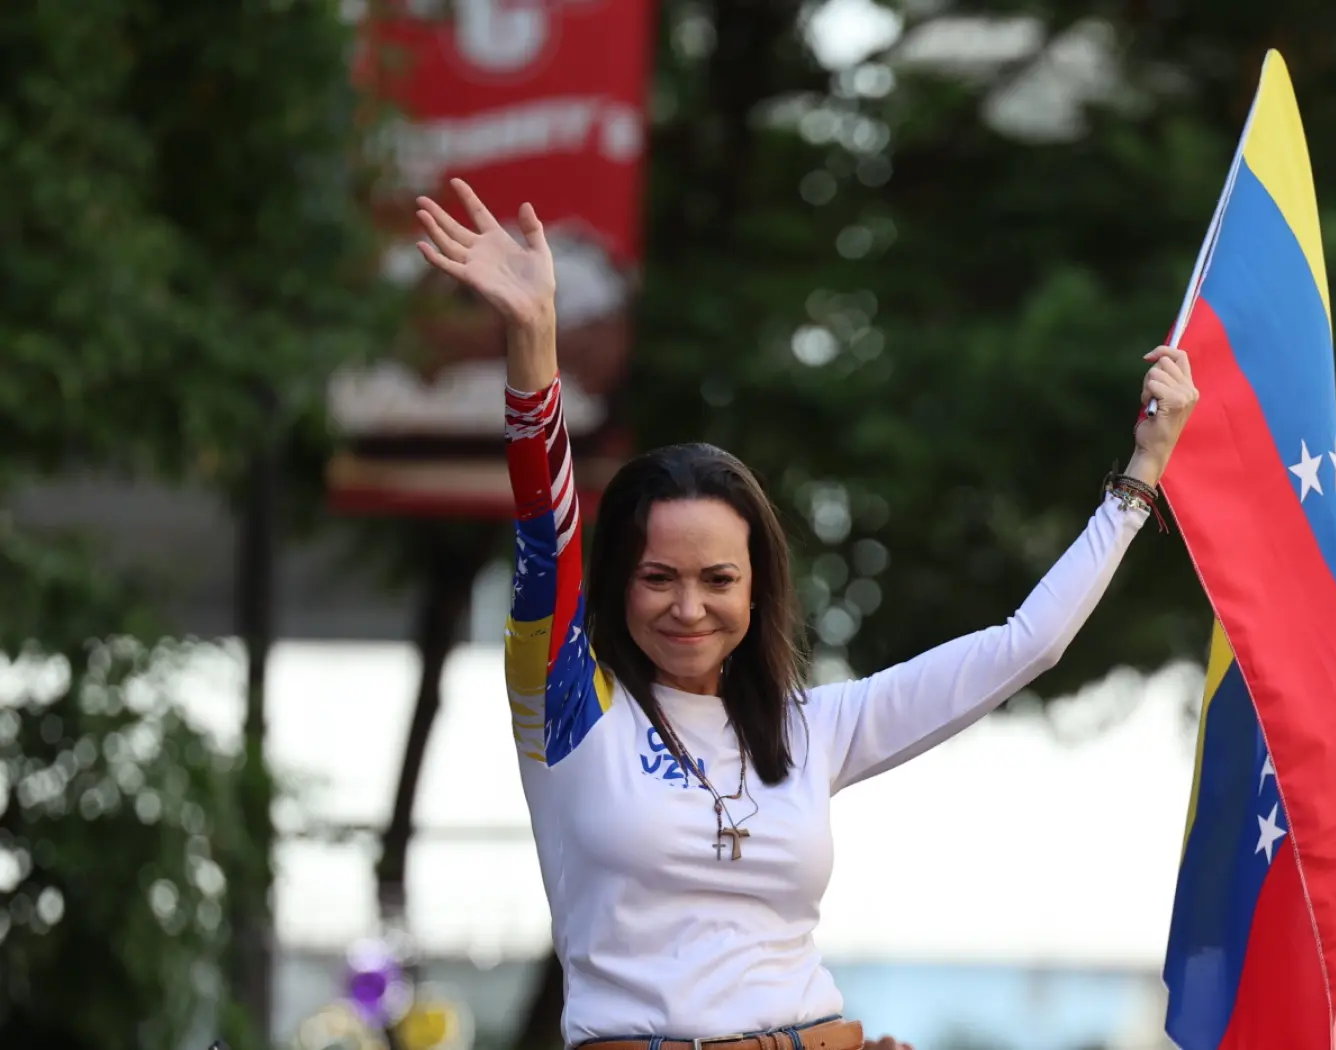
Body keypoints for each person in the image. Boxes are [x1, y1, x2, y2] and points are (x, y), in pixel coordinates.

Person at [412, 180, 1198, 1050]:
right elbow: (544, 533)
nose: (688, 607)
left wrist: (1142, 474)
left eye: (717, 579)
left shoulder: (811, 728)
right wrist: (533, 341)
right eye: (657, 578)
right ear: (616, 587)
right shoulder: (567, 704)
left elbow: (1026, 646)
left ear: (757, 589)